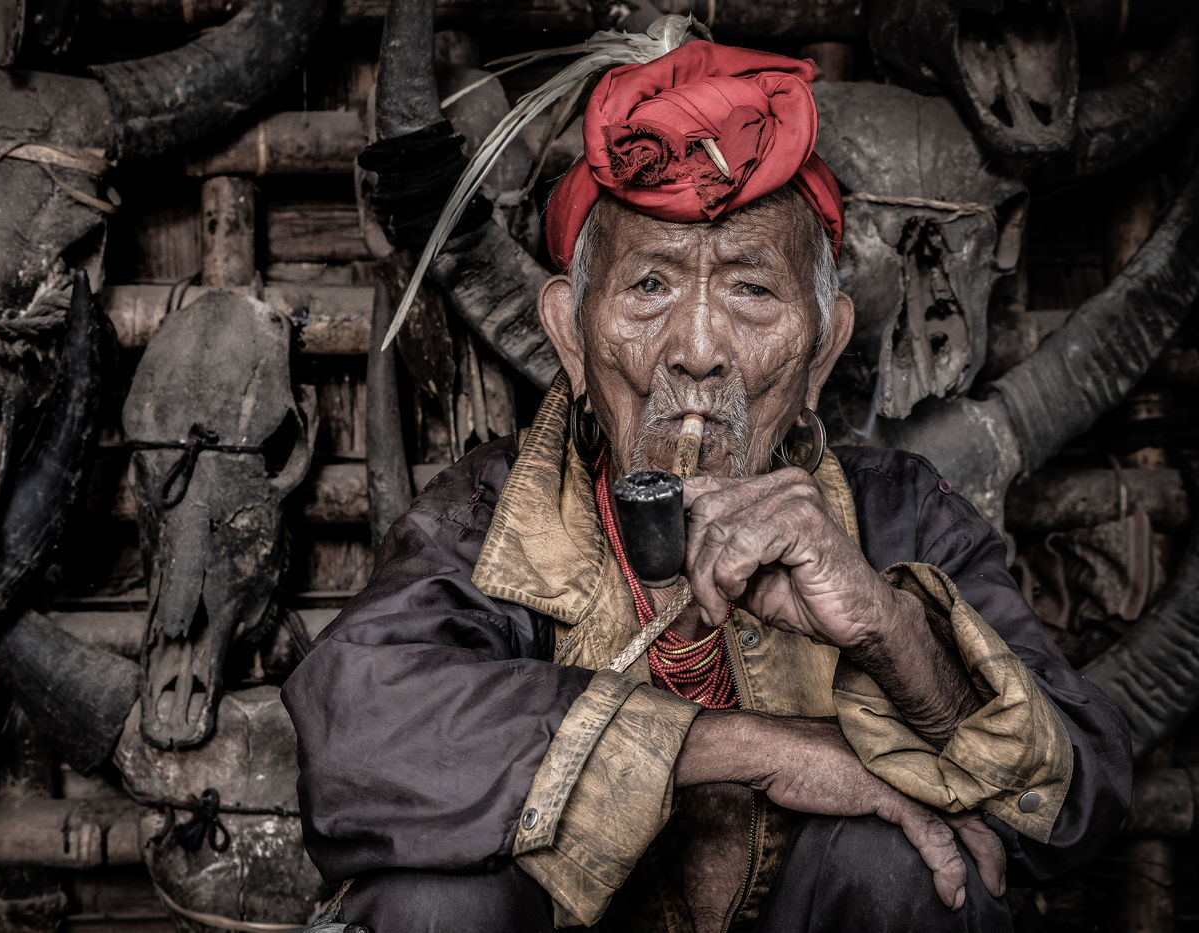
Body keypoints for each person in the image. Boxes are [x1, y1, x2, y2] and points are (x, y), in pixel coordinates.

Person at [283, 39, 1131, 933]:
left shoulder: (897, 514)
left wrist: (889, 628)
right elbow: (353, 736)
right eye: (648, 284)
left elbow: (1072, 809)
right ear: (571, 340)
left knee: (914, 867)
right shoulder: (485, 516)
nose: (696, 347)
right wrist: (757, 751)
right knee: (430, 898)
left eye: (752, 291)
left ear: (822, 351)